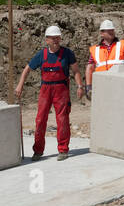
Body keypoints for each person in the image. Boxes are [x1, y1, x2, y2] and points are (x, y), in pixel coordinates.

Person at [15, 24, 83, 161]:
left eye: (57, 38)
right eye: (52, 38)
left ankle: (63, 149)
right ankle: (38, 150)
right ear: (47, 40)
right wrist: (20, 85)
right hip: (45, 90)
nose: (55, 40)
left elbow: (76, 71)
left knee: (62, 119)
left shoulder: (67, 53)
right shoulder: (42, 55)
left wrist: (80, 86)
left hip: (61, 89)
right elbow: (27, 69)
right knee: (40, 120)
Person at [85, 18, 124, 98]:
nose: (111, 32)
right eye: (108, 30)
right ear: (102, 33)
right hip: (101, 84)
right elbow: (90, 67)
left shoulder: (122, 45)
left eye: (112, 30)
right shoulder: (95, 49)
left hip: (120, 83)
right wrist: (88, 86)